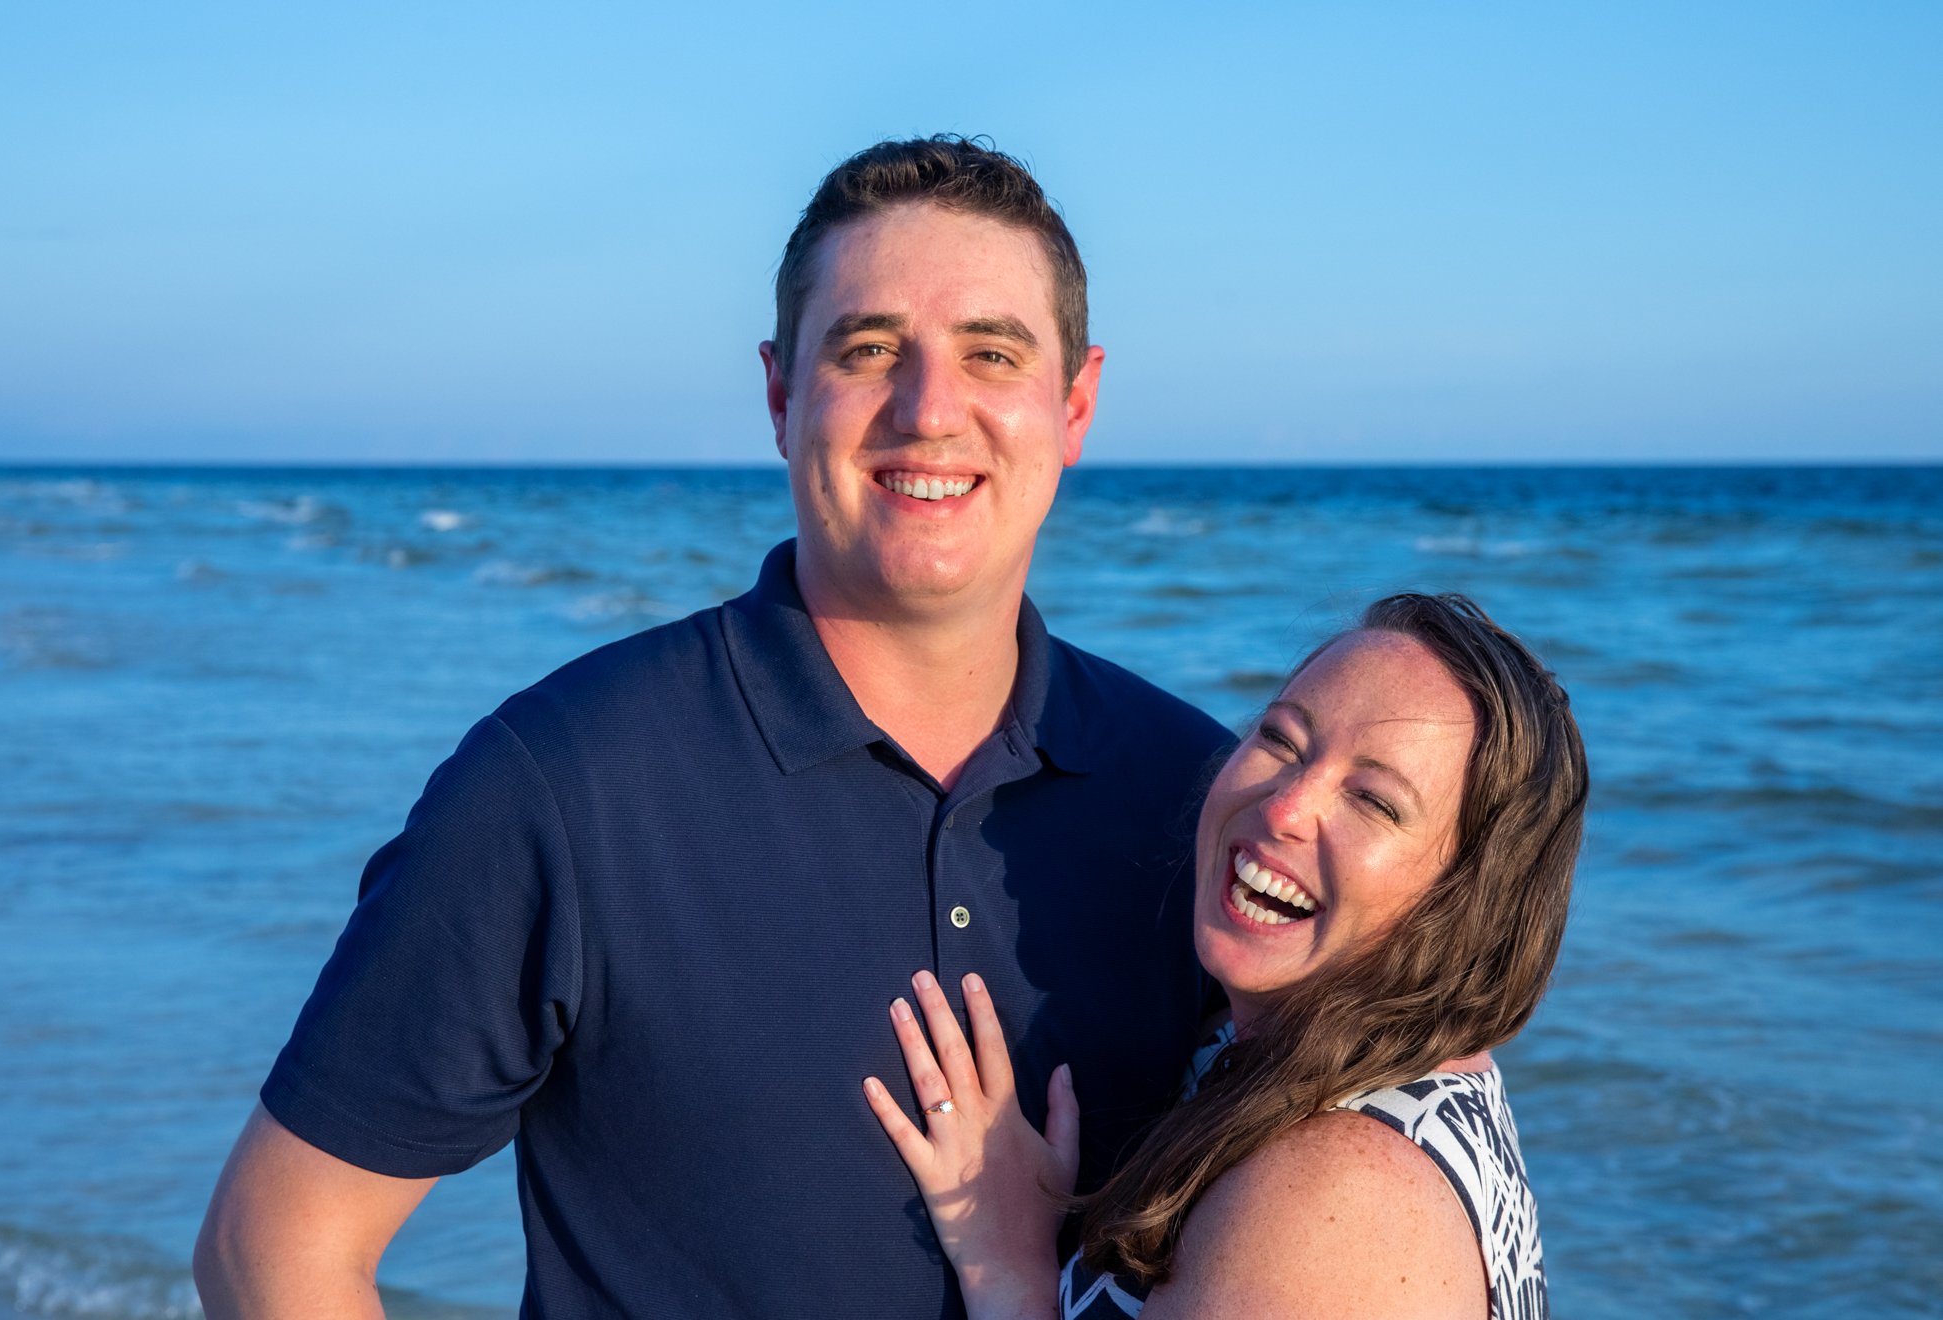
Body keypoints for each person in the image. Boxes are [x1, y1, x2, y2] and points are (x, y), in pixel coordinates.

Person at [192, 136, 1234, 1319]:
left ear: (1075, 402)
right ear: (783, 395)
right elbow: (272, 1249)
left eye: (991, 352)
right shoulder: (565, 788)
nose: (930, 408)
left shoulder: (1199, 799)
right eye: (869, 348)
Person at [866, 592, 1587, 1319]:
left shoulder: (1339, 1202)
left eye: (1374, 801)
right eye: (1282, 740)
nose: (1284, 807)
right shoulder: (1327, 1063)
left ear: (1470, 899)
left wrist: (1010, 1266)